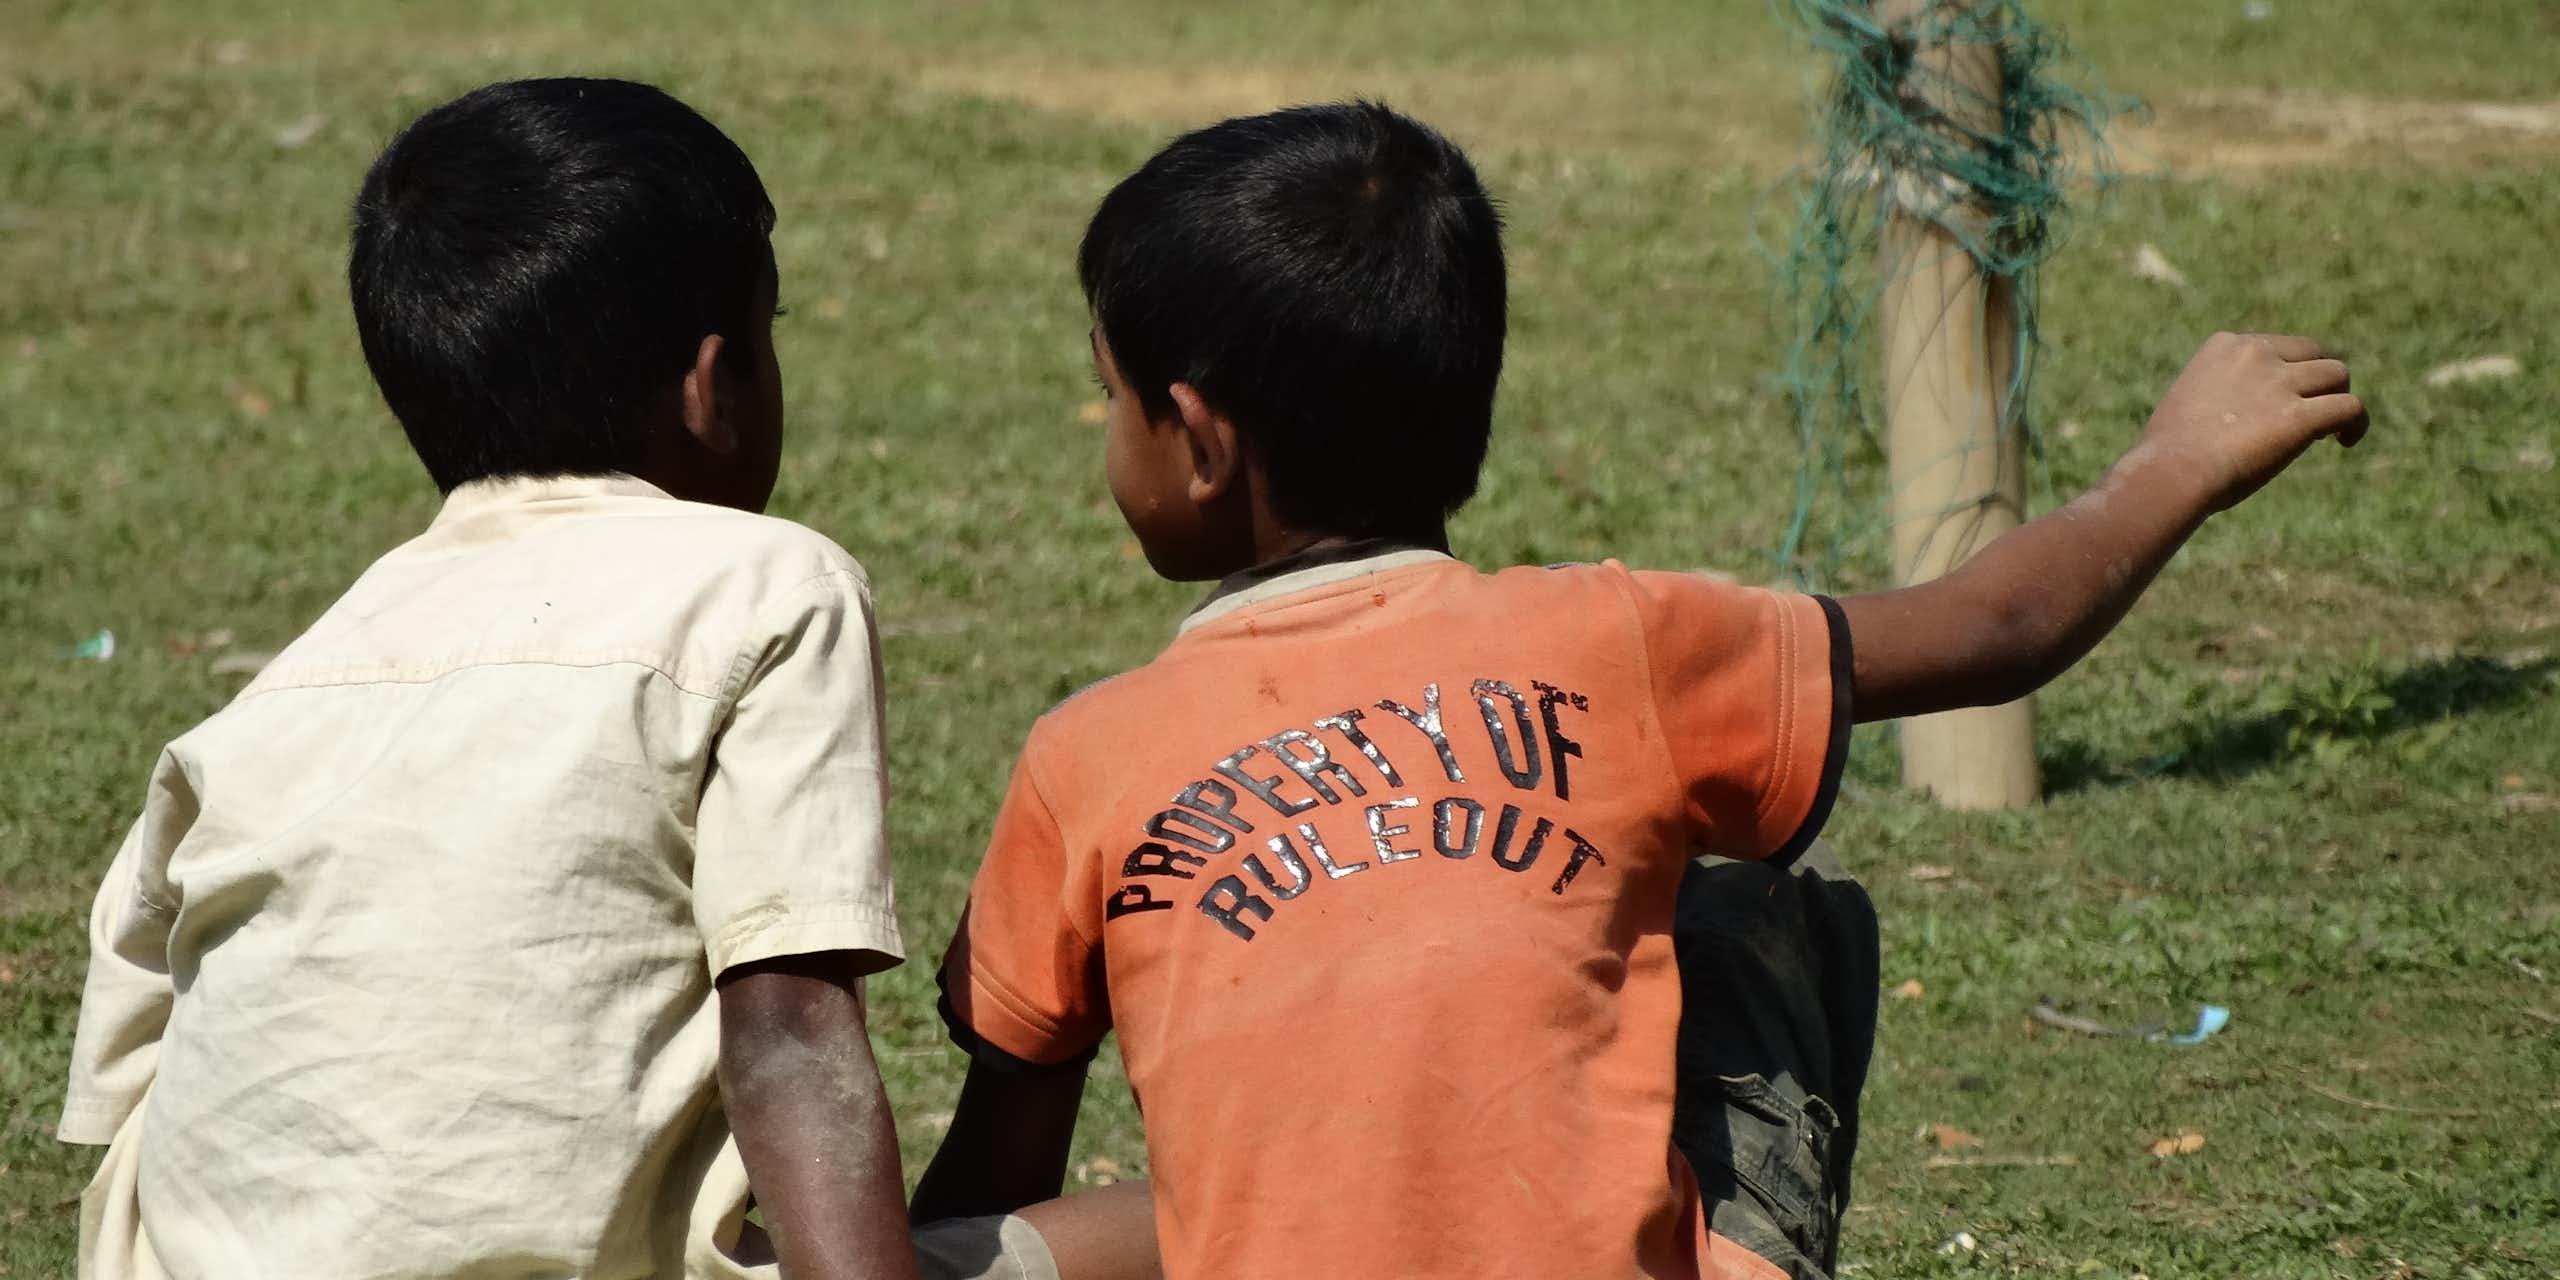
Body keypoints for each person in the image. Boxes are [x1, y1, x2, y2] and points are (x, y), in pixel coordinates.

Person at [913, 101, 2366, 1280]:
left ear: (1198, 436)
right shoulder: (1619, 642)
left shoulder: (1086, 760)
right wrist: (2183, 452)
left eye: (1109, 393)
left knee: (1289, 1141)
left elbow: (987, 1186)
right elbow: (1996, 625)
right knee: (1744, 914)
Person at [55, 77, 1156, 1280]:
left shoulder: (268, 700)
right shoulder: (761, 584)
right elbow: (788, 1028)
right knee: (1191, 1220)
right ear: (714, 382)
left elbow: (128, 1095)